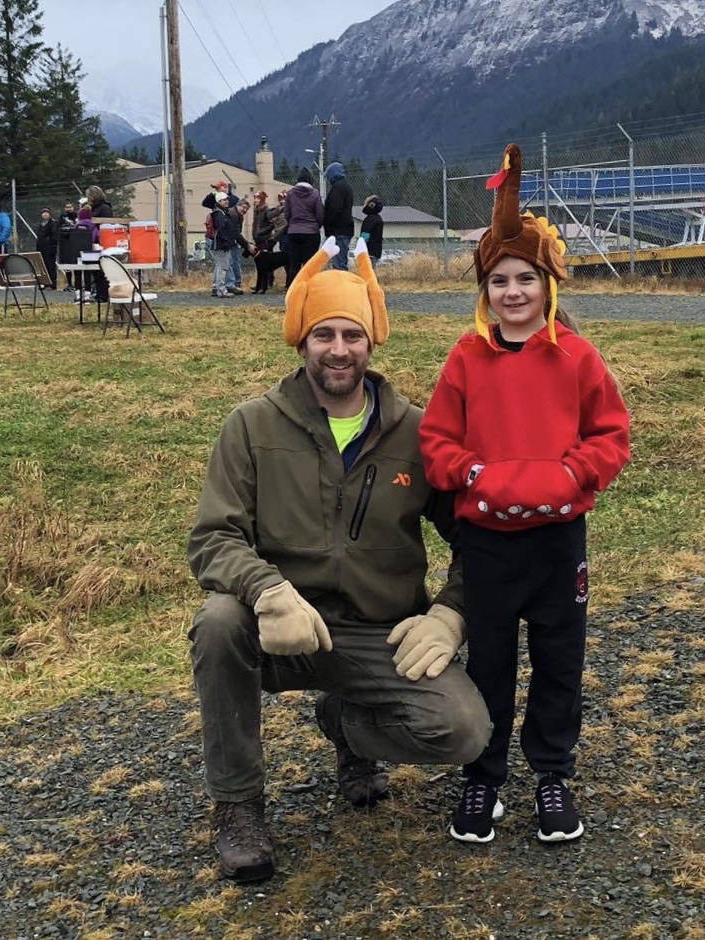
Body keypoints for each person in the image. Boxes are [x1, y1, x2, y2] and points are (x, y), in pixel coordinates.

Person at [187, 234, 492, 883]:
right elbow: (213, 537)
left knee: (463, 730)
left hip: (379, 633)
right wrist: (267, 593)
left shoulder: (418, 433)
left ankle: (346, 728)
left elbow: (474, 539)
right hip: (281, 629)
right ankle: (238, 808)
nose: (338, 349)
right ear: (300, 340)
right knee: (217, 622)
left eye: (351, 334)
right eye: (323, 334)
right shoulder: (251, 426)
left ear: (371, 341)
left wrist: (450, 615)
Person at [419, 144, 630, 847]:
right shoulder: (465, 358)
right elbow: (438, 443)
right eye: (499, 281)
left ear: (548, 284)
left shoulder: (576, 356)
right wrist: (474, 477)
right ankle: (482, 778)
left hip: (555, 539)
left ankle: (551, 774)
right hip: (486, 541)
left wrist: (571, 476)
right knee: (490, 661)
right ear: (483, 289)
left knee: (558, 657)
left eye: (525, 279)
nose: (512, 293)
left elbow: (610, 434)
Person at [201, 189, 249, 298]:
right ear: (219, 201)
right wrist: (226, 242)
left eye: (227, 199)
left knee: (219, 266)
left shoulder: (221, 212)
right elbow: (222, 229)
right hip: (221, 245)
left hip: (220, 243)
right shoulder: (220, 213)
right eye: (223, 200)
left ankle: (216, 288)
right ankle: (221, 290)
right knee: (222, 267)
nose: (226, 201)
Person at [284, 167, 323, 288]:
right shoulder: (315, 194)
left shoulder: (290, 194)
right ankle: (311, 287)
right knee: (309, 263)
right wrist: (316, 226)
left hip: (294, 232)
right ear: (310, 180)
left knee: (294, 264)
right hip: (311, 233)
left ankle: (292, 288)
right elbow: (320, 214)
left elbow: (287, 213)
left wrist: (292, 224)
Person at [323, 162, 354, 271]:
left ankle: (341, 285)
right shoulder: (345, 186)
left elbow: (335, 209)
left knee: (339, 263)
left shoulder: (338, 188)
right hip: (345, 229)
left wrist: (327, 222)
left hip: (338, 230)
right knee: (342, 260)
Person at [228, 198, 251, 290]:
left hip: (232, 241)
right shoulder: (233, 215)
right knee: (230, 263)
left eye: (247, 209)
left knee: (234, 262)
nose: (245, 210)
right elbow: (235, 233)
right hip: (228, 241)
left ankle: (235, 283)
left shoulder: (239, 215)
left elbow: (237, 233)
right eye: (243, 207)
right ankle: (233, 284)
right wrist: (247, 245)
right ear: (238, 205)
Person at [36, 207, 58, 290]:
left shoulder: (53, 223)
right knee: (43, 266)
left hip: (50, 248)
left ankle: (52, 283)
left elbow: (54, 236)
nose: (45, 214)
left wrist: (52, 245)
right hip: (41, 248)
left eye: (47, 212)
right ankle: (45, 283)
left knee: (51, 265)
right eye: (43, 212)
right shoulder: (40, 224)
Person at [359, 195, 384, 268]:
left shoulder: (369, 219)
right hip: (376, 250)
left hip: (369, 249)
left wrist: (361, 245)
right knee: (372, 268)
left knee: (368, 268)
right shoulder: (378, 218)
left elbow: (365, 234)